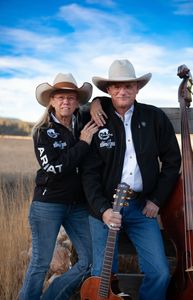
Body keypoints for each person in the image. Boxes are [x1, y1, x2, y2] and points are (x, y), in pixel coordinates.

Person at [82, 59, 181, 300]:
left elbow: (172, 161)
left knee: (159, 272)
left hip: (140, 207)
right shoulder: (98, 119)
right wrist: (103, 210)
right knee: (101, 275)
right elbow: (89, 172)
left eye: (128, 86)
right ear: (108, 90)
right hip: (104, 209)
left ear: (138, 88)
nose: (122, 91)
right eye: (116, 86)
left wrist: (157, 199)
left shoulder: (154, 117)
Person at [19, 73, 99, 300]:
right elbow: (54, 167)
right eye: (61, 97)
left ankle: (52, 296)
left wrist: (97, 102)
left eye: (71, 98)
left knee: (90, 259)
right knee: (40, 264)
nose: (66, 102)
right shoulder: (42, 131)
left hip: (78, 205)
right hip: (48, 204)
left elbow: (108, 104)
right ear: (51, 101)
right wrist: (83, 143)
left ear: (77, 102)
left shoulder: (83, 122)